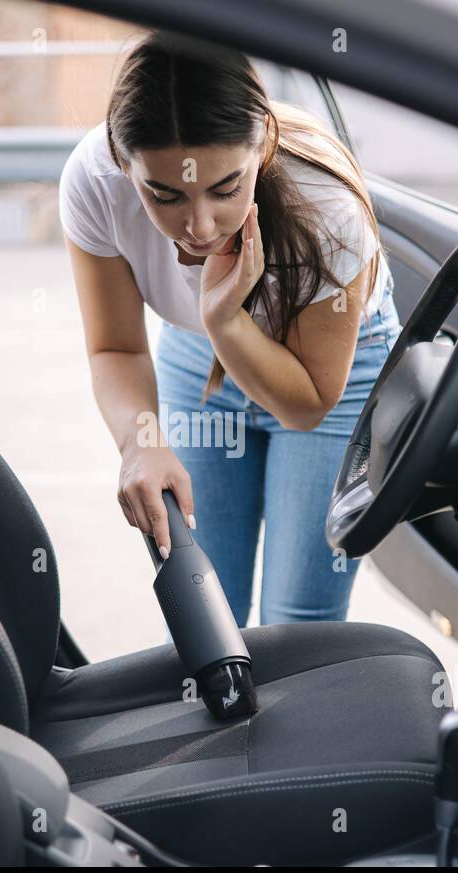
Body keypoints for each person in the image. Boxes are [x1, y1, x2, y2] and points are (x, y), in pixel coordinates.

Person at [59, 30, 401, 627]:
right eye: (163, 195)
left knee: (297, 625)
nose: (199, 225)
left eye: (227, 188)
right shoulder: (94, 182)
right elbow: (115, 346)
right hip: (196, 358)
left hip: (336, 379)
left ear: (262, 142)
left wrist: (222, 318)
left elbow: (308, 404)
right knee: (207, 604)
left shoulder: (327, 202)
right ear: (122, 161)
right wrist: (141, 442)